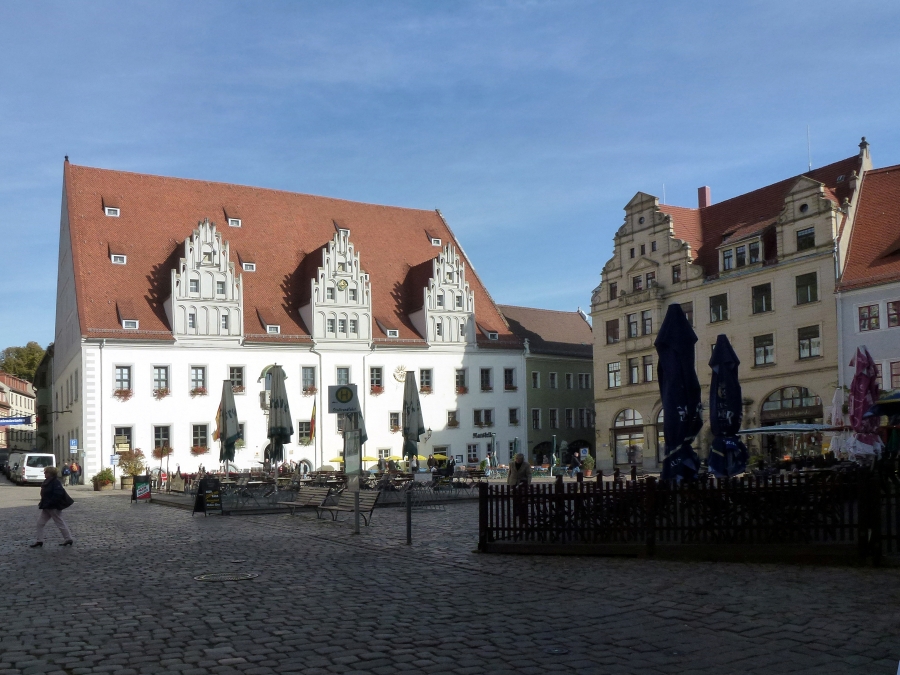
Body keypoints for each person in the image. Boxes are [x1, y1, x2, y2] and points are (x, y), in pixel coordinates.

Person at [30, 466, 73, 548]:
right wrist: (43, 502)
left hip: (53, 507)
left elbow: (58, 494)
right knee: (40, 523)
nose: (44, 473)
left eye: (46, 472)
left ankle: (68, 539)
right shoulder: (47, 481)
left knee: (59, 522)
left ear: (50, 473)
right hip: (47, 506)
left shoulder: (55, 482)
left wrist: (50, 502)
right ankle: (39, 541)